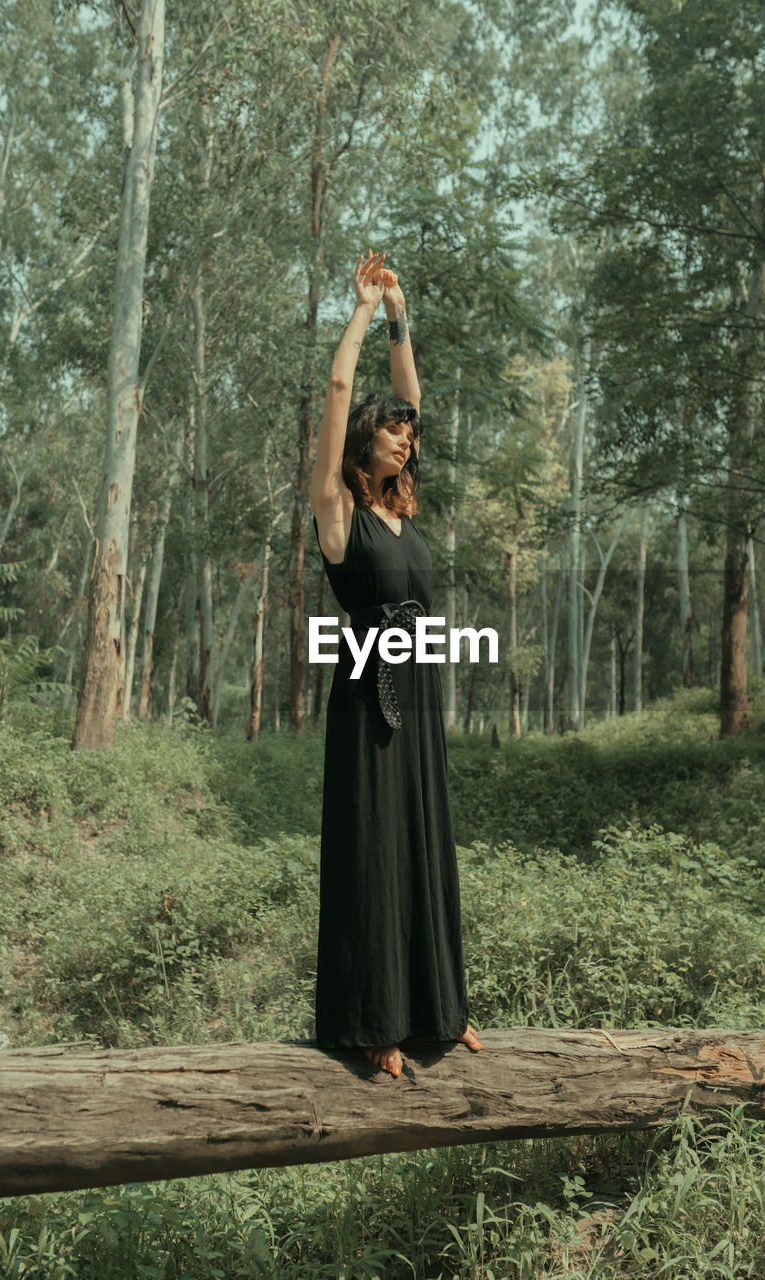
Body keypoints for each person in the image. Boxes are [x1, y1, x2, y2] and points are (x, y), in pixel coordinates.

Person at [309, 249, 482, 1078]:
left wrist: (404, 312)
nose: (405, 435)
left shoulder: (402, 507)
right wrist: (364, 315)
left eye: (407, 432)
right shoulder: (340, 511)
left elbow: (410, 395)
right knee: (374, 845)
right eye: (392, 428)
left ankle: (439, 1013)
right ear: (361, 441)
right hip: (368, 691)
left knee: (422, 838)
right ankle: (372, 1019)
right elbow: (345, 390)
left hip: (421, 683)